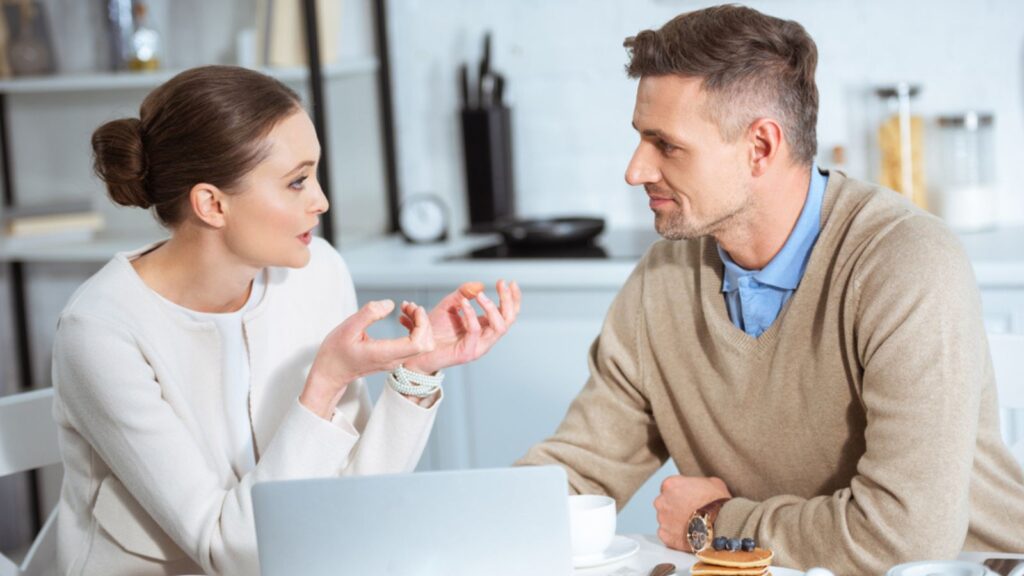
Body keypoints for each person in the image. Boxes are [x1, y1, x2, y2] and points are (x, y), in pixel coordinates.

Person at [517, 5, 1024, 574]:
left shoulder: (907, 263)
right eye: (640, 139)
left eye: (666, 145)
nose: (636, 170)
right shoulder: (663, 282)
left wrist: (714, 523)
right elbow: (580, 472)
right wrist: (442, 382)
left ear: (760, 147)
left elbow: (907, 539)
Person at [52, 65, 521, 575]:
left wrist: (418, 371)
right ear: (211, 204)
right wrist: (324, 383)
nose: (321, 201)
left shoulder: (317, 272)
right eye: (297, 182)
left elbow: (358, 499)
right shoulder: (100, 331)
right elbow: (231, 552)